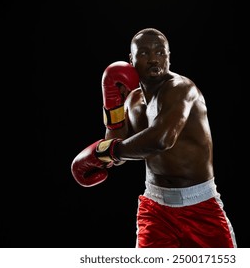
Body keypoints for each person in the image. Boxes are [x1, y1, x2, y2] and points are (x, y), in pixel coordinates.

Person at [71, 27, 237, 248]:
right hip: (156, 208)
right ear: (131, 59)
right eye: (144, 53)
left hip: (201, 206)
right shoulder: (133, 101)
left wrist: (108, 151)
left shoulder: (181, 89)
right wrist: (113, 107)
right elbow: (119, 152)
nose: (153, 59)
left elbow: (161, 139)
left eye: (160, 52)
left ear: (169, 56)